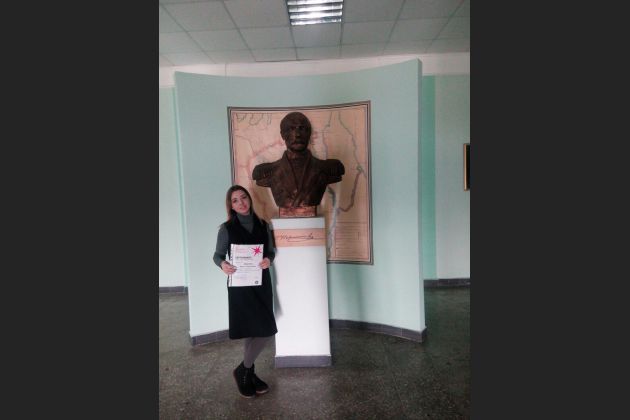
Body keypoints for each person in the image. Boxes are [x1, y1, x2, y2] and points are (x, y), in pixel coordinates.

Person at [213, 185, 278, 398]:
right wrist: (223, 265)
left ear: (249, 199)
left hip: (261, 283)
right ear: (231, 206)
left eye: (243, 197)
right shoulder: (226, 229)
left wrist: (268, 259)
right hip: (239, 286)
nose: (241, 203)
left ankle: (244, 370)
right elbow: (217, 256)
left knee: (265, 330)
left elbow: (271, 251)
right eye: (235, 200)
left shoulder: (263, 225)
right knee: (251, 330)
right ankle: (247, 373)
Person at [252, 111, 345, 217]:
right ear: (283, 134)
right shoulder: (266, 172)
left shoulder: (328, 168)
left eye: (302, 128)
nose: (297, 134)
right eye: (291, 129)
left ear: (309, 134)